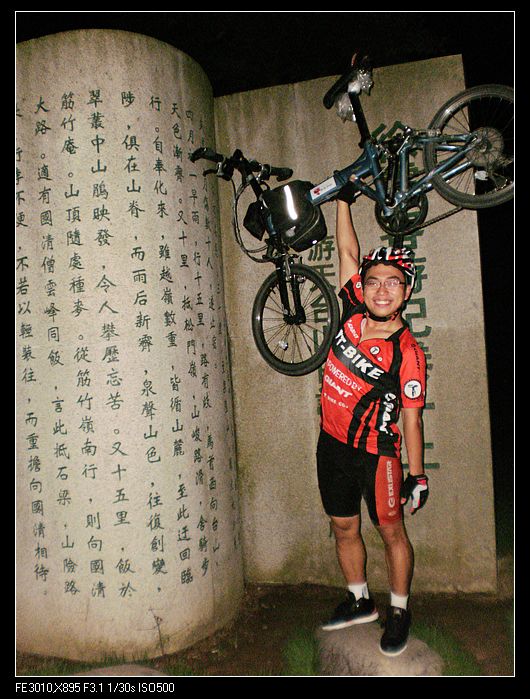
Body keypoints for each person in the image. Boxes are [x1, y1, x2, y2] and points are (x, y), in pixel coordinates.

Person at [317, 186, 429, 657]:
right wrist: (342, 200)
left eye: (393, 283)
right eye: (374, 281)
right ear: (362, 287)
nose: (382, 290)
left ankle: (399, 610)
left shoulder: (408, 352)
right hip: (331, 445)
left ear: (406, 291)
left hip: (377, 455)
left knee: (391, 533)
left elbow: (412, 419)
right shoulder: (351, 311)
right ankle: (360, 600)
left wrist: (417, 474)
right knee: (343, 526)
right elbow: (347, 252)